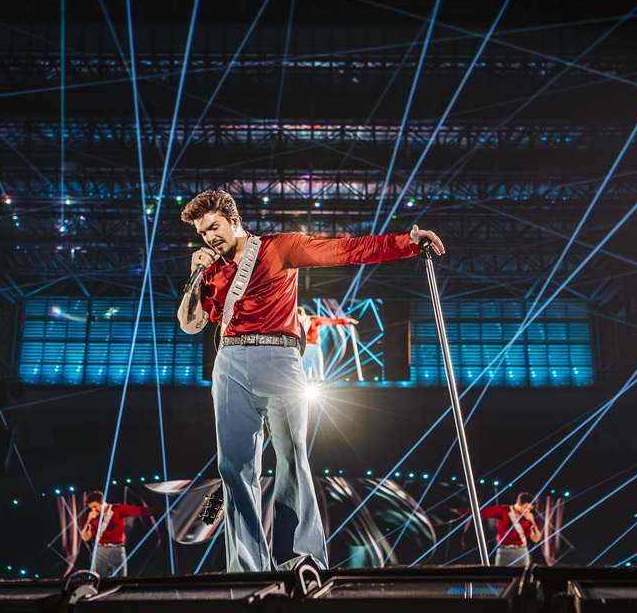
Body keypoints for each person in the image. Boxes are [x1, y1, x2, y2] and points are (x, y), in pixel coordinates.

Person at [177, 189, 444, 572]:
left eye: (215, 227)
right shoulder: (212, 271)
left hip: (280, 357)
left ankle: (299, 560)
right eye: (203, 233)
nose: (210, 237)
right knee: (234, 468)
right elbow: (190, 325)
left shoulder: (280, 247)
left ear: (235, 221)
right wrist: (195, 274)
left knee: (291, 459)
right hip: (230, 361)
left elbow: (345, 250)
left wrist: (407, 242)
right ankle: (247, 568)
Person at [80, 490, 155, 577]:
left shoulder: (117, 509)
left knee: (121, 580)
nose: (93, 510)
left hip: (117, 550)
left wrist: (161, 510)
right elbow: (86, 537)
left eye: (95, 506)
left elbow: (139, 511)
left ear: (102, 502)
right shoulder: (93, 516)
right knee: (100, 581)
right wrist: (89, 520)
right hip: (100, 551)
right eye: (91, 508)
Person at [477, 491, 542, 566]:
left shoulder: (528, 518)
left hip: (521, 551)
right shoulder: (503, 510)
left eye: (530, 509)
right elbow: (481, 512)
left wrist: (532, 522)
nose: (527, 511)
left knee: (523, 575)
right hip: (504, 550)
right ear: (519, 503)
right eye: (526, 508)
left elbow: (536, 539)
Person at [296, 305, 359, 381]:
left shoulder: (313, 319)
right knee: (306, 372)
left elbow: (330, 321)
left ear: (301, 315)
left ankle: (319, 386)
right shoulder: (297, 324)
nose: (297, 320)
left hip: (315, 348)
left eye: (297, 317)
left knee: (319, 373)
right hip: (306, 349)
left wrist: (345, 321)